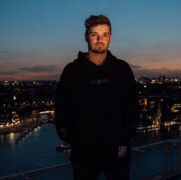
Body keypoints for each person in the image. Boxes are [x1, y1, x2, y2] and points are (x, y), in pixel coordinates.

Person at [55, 15, 139, 180]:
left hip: (117, 151)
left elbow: (133, 105)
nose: (100, 39)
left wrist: (126, 137)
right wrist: (72, 139)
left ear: (110, 37)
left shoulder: (122, 69)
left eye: (105, 35)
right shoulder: (72, 71)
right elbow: (62, 107)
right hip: (84, 153)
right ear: (86, 36)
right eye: (95, 34)